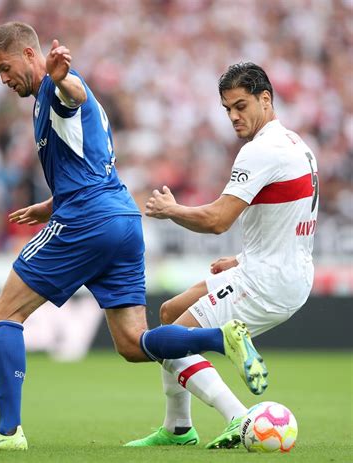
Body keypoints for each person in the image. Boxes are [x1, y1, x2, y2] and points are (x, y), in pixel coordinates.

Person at [0, 22, 265, 452]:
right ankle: (222, 338)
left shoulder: (56, 89)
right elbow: (90, 164)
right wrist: (48, 204)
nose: (4, 78)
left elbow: (74, 94)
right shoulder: (49, 101)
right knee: (132, 344)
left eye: (5, 67)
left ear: (29, 55)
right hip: (121, 219)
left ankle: (9, 433)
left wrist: (61, 76)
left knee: (4, 313)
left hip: (86, 221)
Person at [125, 62, 319, 449]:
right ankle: (178, 427)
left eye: (241, 105)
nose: (233, 116)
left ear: (266, 99)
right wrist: (244, 258)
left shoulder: (259, 151)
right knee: (169, 314)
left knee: (168, 341)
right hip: (279, 269)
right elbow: (290, 218)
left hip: (266, 281)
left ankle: (238, 417)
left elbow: (217, 220)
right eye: (227, 109)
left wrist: (172, 210)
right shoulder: (298, 145)